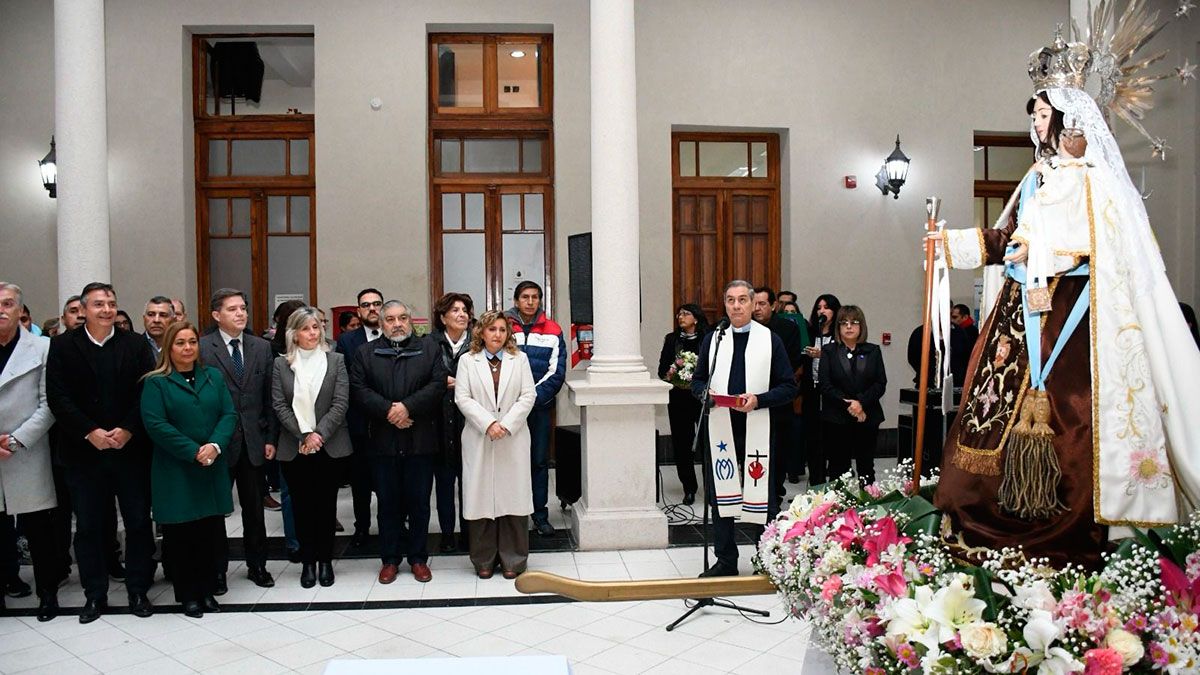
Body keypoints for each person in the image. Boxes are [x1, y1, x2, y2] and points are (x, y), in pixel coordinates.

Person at [927, 52, 1200, 568]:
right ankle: (983, 508)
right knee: (992, 415)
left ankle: (1079, 519)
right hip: (1022, 313)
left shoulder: (1098, 183)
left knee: (1071, 414)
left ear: (1073, 121)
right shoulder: (1038, 177)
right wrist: (950, 246)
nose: (1037, 123)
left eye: (1044, 114)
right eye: (1033, 115)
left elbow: (1101, 248)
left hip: (1075, 314)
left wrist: (1042, 252)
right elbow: (1008, 238)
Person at [46, 282, 157, 623]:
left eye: (111, 303)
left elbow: (147, 392)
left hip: (130, 450)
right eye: (98, 304)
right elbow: (58, 397)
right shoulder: (62, 346)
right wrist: (89, 431)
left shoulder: (135, 344)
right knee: (89, 527)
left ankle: (138, 590)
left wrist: (128, 429)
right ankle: (95, 594)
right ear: (83, 310)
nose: (107, 309)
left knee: (138, 522)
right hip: (83, 453)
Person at [690, 280, 798, 577]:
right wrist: (705, 395)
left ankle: (767, 558)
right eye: (730, 300)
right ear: (725, 305)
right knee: (720, 494)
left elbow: (789, 387)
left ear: (753, 304)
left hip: (758, 425)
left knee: (764, 494)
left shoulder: (770, 340)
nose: (736, 306)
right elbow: (698, 380)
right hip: (721, 426)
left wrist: (759, 400)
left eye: (742, 300)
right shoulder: (713, 339)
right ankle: (726, 560)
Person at [139, 321, 236, 618]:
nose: (187, 348)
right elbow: (156, 424)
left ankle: (207, 590)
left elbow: (228, 414)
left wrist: (214, 446)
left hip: (210, 466)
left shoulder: (213, 377)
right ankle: (188, 595)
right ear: (169, 347)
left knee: (208, 533)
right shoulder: (156, 382)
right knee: (182, 537)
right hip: (176, 470)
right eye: (180, 343)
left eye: (192, 342)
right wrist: (193, 451)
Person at [350, 300, 447, 584]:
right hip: (382, 441)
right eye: (390, 319)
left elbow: (438, 384)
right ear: (381, 323)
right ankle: (390, 560)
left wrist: (407, 407)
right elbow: (358, 389)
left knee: (419, 504)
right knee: (387, 504)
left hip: (420, 440)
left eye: (402, 318)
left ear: (410, 321)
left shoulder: (429, 348)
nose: (397, 324)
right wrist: (389, 411)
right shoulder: (366, 353)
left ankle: (418, 558)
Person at [199, 288, 278, 591]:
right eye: (232, 309)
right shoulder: (203, 348)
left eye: (243, 308)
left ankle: (257, 565)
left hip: (254, 441)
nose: (240, 313)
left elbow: (270, 397)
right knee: (216, 511)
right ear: (216, 315)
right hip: (218, 443)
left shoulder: (261, 347)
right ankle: (217, 571)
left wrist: (270, 437)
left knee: (255, 511)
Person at [272, 307, 351, 588]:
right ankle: (308, 562)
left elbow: (340, 402)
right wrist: (305, 434)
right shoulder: (281, 364)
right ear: (294, 333)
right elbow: (279, 404)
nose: (313, 333)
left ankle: (325, 561)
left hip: (329, 446)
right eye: (306, 328)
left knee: (326, 506)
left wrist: (318, 435)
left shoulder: (336, 360)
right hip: (295, 447)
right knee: (302, 507)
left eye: (316, 327)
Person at [455, 310, 537, 579]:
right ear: (481, 332)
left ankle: (514, 559)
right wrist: (489, 423)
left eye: (502, 330)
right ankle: (483, 559)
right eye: (492, 329)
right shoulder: (467, 361)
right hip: (480, 436)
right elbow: (462, 398)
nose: (498, 335)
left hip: (512, 436)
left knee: (513, 496)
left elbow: (528, 395)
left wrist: (506, 424)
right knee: (480, 498)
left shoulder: (519, 359)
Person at [0, 282, 61, 621]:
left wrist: (16, 439)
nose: (1, 310)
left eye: (8, 304)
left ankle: (47, 594)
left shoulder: (42, 348)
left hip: (27, 449)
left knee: (39, 530)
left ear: (21, 310)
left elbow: (49, 403)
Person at [505, 281, 565, 537]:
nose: (530, 302)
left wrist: (530, 399)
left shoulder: (553, 330)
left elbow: (557, 371)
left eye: (535, 297)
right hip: (508, 409)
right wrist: (513, 400)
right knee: (510, 462)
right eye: (525, 297)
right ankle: (511, 516)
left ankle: (540, 516)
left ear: (540, 300)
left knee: (538, 462)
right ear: (516, 301)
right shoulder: (504, 326)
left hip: (539, 408)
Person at [335, 288, 385, 547]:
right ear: (359, 310)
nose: (372, 308)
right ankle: (362, 527)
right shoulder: (347, 341)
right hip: (359, 420)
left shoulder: (394, 333)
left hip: (390, 421)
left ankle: (394, 524)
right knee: (360, 481)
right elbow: (347, 381)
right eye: (366, 305)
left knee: (390, 480)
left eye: (377, 303)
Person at [818, 305, 887, 486]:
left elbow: (880, 383)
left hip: (867, 416)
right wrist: (850, 405)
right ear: (838, 327)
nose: (849, 326)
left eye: (854, 322)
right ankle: (837, 503)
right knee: (838, 467)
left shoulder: (872, 350)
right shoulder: (829, 351)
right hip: (837, 417)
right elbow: (825, 385)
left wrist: (860, 403)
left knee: (866, 467)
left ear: (861, 326)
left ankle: (868, 501)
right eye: (844, 323)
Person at [429, 292, 474, 553]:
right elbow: (425, 377)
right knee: (444, 484)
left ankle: (469, 533)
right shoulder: (429, 344)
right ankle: (447, 534)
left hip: (469, 421)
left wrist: (459, 383)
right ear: (443, 317)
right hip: (438, 423)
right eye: (455, 310)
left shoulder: (476, 343)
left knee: (469, 483)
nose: (461, 315)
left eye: (464, 310)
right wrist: (442, 382)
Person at [753, 287, 803, 500]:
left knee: (779, 449)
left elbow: (792, 362)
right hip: (752, 400)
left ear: (773, 305)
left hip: (778, 398)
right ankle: (756, 492)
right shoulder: (746, 328)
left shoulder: (787, 329)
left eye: (762, 304)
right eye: (754, 304)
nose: (757, 308)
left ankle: (775, 491)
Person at [657, 304, 709, 505]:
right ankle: (689, 488)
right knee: (682, 445)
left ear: (696, 318)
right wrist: (674, 373)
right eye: (679, 313)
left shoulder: (708, 338)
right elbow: (662, 369)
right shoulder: (672, 339)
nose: (680, 316)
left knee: (707, 443)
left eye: (686, 314)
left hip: (703, 399)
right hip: (679, 399)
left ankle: (711, 489)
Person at [800, 294, 841, 485]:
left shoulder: (839, 334)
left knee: (832, 439)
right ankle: (816, 482)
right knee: (813, 438)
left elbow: (842, 360)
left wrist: (823, 355)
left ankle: (835, 482)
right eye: (819, 307)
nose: (822, 311)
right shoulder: (810, 332)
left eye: (826, 307)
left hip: (832, 392)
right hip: (812, 390)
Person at [141, 296, 175, 360]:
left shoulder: (180, 345)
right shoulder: (133, 346)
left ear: (173, 320)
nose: (156, 320)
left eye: (163, 315)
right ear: (144, 318)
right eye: (151, 314)